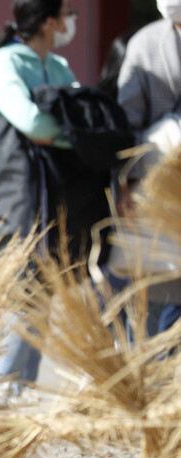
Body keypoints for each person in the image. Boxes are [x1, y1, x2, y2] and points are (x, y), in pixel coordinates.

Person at [0, 0, 79, 407]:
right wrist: (70, 135)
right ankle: (0, 381)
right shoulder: (4, 63)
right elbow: (31, 123)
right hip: (19, 190)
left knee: (50, 280)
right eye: (68, 14)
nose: (72, 22)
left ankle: (22, 383)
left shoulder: (59, 66)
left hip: (58, 189)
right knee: (21, 278)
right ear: (50, 21)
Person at [116, 3, 181, 340]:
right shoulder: (145, 43)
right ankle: (143, 373)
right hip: (155, 182)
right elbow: (128, 119)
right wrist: (125, 185)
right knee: (154, 284)